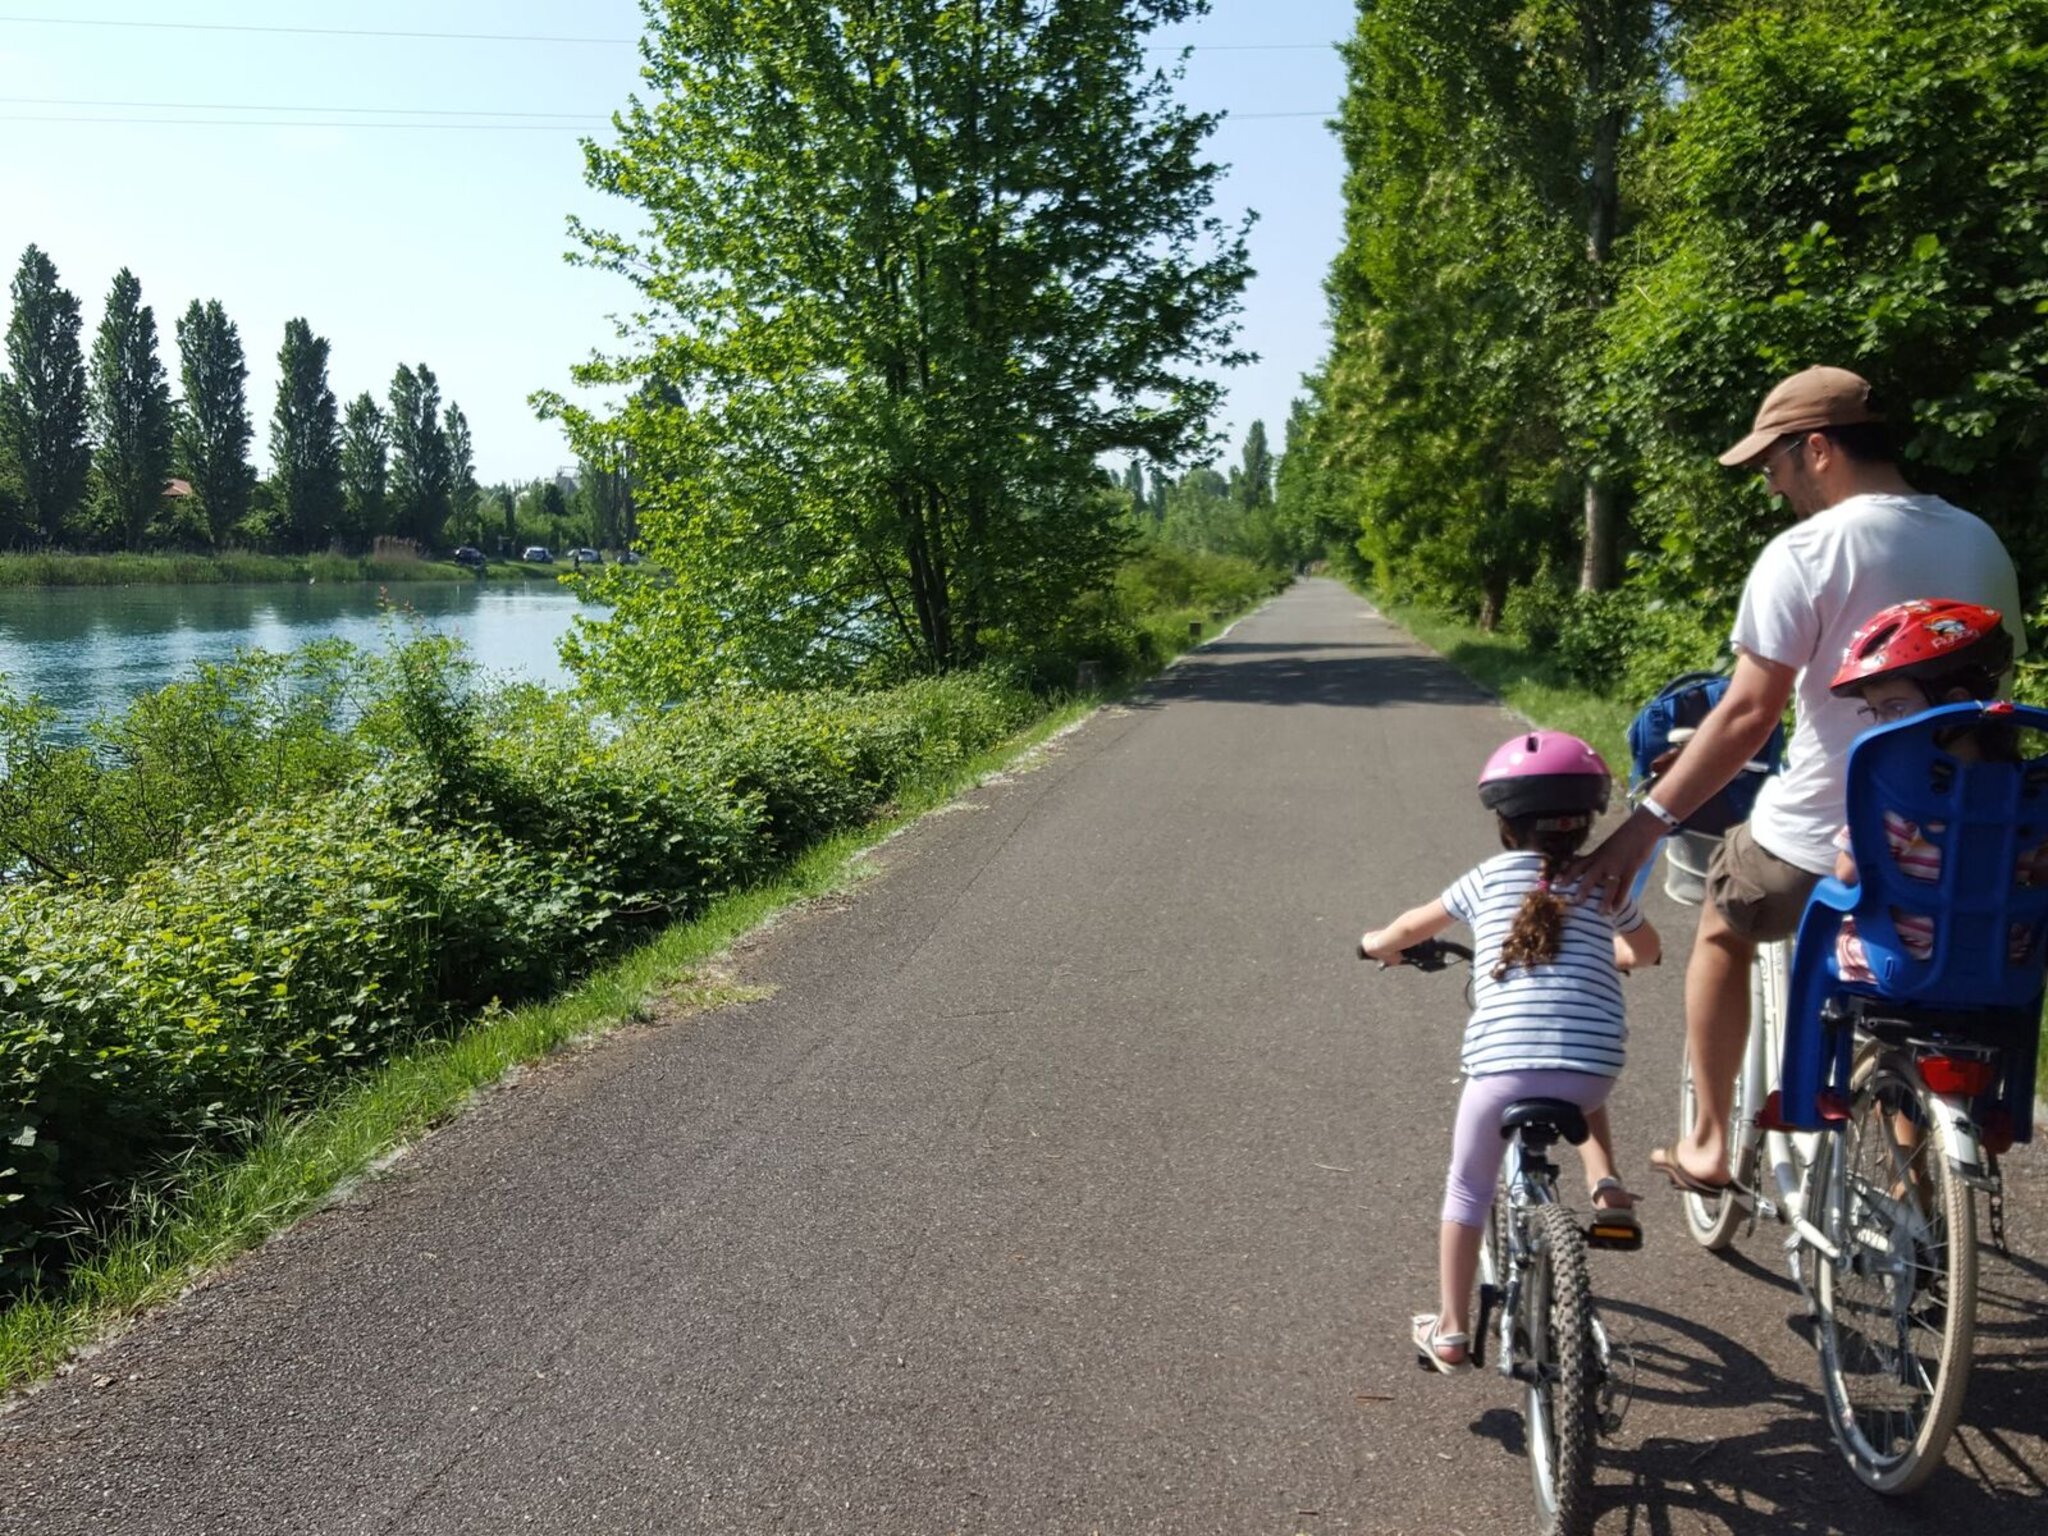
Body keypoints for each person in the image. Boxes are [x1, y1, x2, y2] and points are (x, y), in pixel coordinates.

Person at [1568, 366, 2023, 1194]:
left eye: (1774, 464)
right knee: (1906, 992)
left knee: (1721, 919)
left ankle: (1708, 1143)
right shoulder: (1980, 541)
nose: (1773, 486)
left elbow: (1747, 715)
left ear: (1818, 449)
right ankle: (1918, 1179)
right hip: (1970, 843)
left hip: (1827, 836)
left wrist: (1642, 829)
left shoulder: (1808, 552)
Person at [1361, 731, 1661, 1372]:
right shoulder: (1606, 882)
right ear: (1586, 824)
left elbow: (1412, 927)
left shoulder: (1488, 876)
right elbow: (1647, 952)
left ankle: (1449, 1330)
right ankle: (1605, 1183)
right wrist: (1605, 957)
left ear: (1504, 823)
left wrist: (1375, 943)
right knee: (1573, 1069)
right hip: (1594, 1071)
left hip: (1502, 1069)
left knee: (1468, 1188)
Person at [1826, 599, 2044, 982]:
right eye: (1876, 713)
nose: (1882, 726)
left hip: (1898, 962)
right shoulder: (2028, 794)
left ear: (1956, 706)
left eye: (1895, 708)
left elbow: (1847, 872)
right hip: (2002, 966)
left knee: (1827, 922)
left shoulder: (1895, 796)